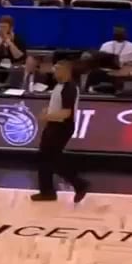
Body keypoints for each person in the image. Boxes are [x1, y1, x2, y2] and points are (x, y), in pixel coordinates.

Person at [32, 58, 89, 203]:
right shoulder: (59, 86)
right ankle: (47, 191)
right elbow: (57, 106)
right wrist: (48, 111)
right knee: (45, 158)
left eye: (57, 69)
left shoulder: (69, 88)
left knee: (52, 160)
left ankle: (79, 184)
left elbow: (66, 113)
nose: (54, 71)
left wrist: (47, 116)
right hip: (54, 125)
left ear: (66, 71)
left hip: (62, 127)